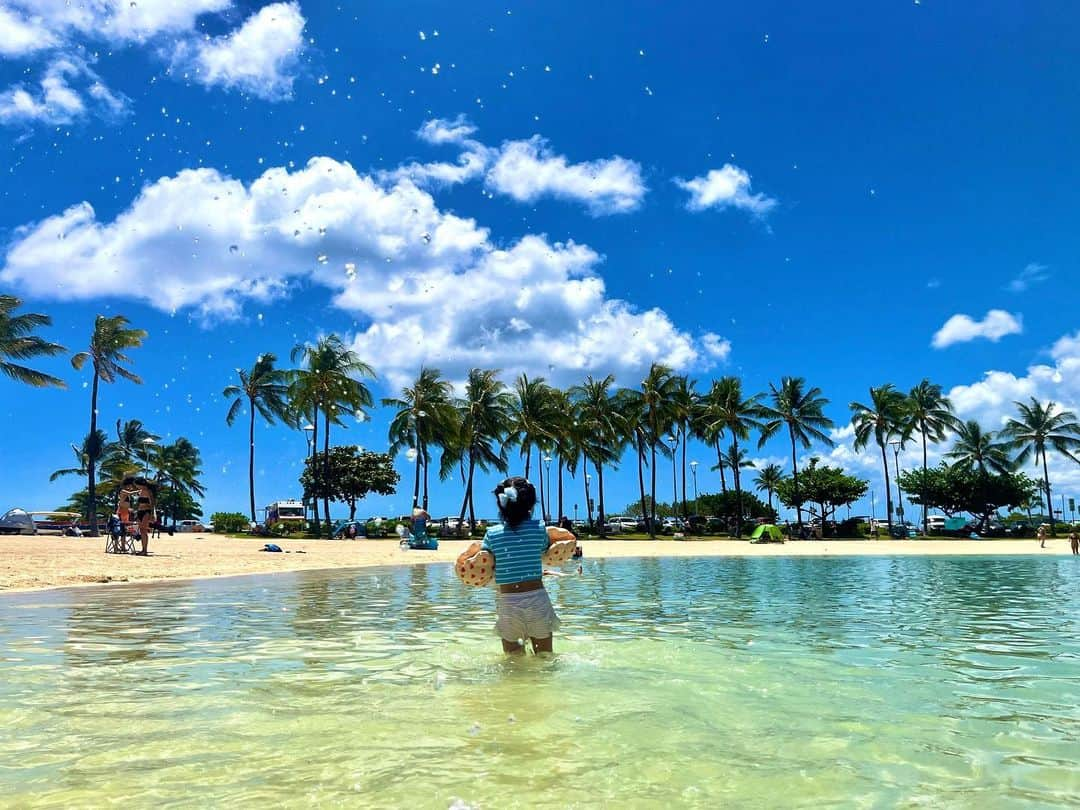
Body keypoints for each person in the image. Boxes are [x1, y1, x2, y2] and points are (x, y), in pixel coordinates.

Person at [481, 477, 559, 655]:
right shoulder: (539, 529)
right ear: (531, 504)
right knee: (545, 657)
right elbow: (545, 551)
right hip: (537, 601)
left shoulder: (492, 534)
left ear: (501, 504)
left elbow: (485, 561)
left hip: (508, 603)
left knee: (513, 659)